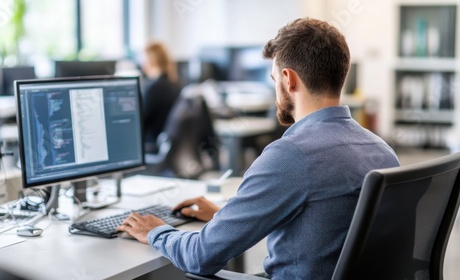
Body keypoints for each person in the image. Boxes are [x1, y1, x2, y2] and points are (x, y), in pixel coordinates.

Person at [117, 18, 400, 279]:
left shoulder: (290, 155)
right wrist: (225, 216)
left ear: (289, 80)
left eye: (274, 79)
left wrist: (155, 231)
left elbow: (200, 256)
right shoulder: (382, 151)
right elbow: (325, 225)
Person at [141, 41, 181, 153]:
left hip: (152, 144)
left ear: (149, 61)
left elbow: (140, 122)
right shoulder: (175, 83)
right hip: (166, 144)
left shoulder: (153, 87)